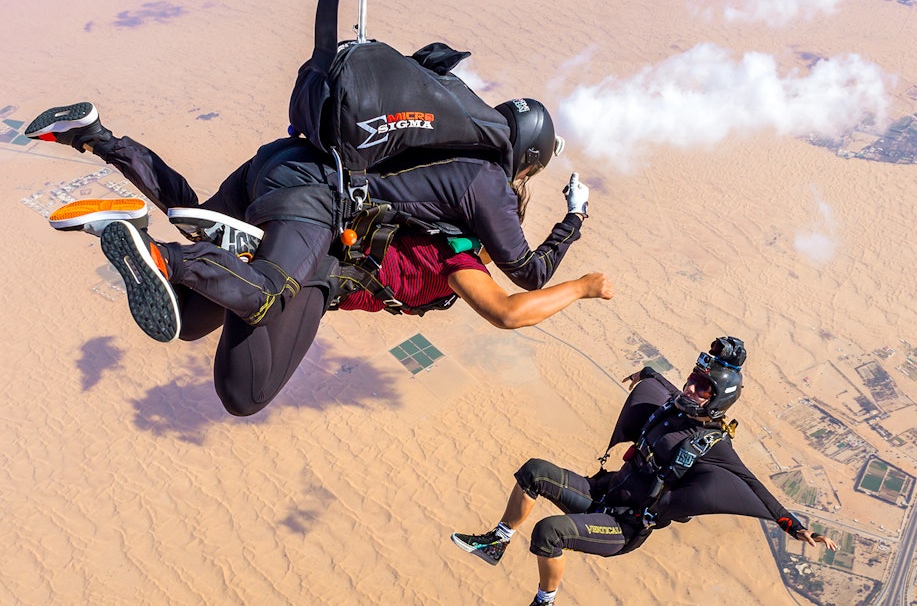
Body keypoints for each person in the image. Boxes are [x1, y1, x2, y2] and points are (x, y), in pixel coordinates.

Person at [27, 101, 612, 417]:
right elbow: (511, 310)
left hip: (280, 169)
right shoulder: (458, 245)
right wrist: (584, 285)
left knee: (188, 313)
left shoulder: (418, 172)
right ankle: (154, 249)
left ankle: (100, 139)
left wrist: (571, 223)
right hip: (315, 261)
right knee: (244, 391)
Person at [451, 336, 837, 606]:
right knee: (534, 472)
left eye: (702, 387)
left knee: (549, 532)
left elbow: (752, 484)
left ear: (718, 399)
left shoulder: (713, 445)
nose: (690, 388)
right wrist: (647, 372)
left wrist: (793, 525)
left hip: (623, 525)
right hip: (599, 492)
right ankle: (495, 543)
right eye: (692, 379)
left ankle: (543, 602)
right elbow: (666, 383)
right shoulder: (673, 404)